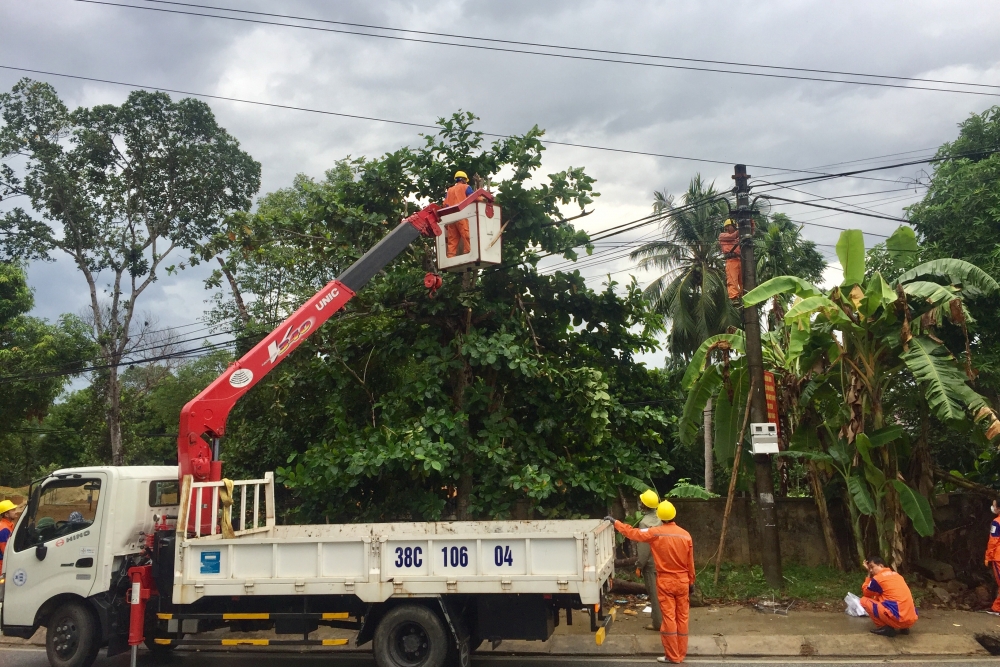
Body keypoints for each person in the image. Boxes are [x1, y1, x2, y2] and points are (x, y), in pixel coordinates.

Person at [607, 500, 695, 663]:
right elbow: (690, 563)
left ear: (660, 517)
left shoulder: (655, 533)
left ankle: (672, 656)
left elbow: (633, 533)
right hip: (683, 581)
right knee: (682, 618)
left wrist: (616, 523)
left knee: (668, 618)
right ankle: (681, 654)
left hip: (666, 581)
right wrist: (691, 582)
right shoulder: (685, 535)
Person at [859, 555, 918, 636]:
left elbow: (866, 593)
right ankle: (904, 627)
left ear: (881, 566)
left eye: (872, 567)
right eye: (869, 569)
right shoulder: (897, 575)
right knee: (880, 596)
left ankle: (885, 628)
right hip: (910, 619)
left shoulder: (878, 579)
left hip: (899, 619)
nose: (871, 570)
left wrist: (868, 575)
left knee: (864, 600)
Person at [635, 489, 663, 632]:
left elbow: (644, 549)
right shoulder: (662, 518)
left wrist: (639, 566)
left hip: (652, 565)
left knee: (655, 594)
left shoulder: (645, 523)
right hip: (665, 562)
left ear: (644, 506)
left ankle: (658, 623)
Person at [443, 170, 475, 257]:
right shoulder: (466, 187)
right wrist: (483, 199)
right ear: (464, 179)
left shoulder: (449, 190)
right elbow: (473, 197)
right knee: (466, 235)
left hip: (451, 219)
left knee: (452, 239)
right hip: (462, 216)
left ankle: (450, 257)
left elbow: (445, 204)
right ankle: (468, 254)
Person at [718, 219, 742, 300]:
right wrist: (741, 228)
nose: (727, 229)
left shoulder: (739, 237)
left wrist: (749, 222)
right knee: (732, 279)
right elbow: (733, 236)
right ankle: (734, 297)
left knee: (745, 280)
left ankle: (745, 295)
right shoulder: (722, 236)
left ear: (734, 226)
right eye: (726, 227)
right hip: (731, 260)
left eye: (728, 226)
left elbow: (750, 232)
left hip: (741, 260)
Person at [984, 499, 1000, 614]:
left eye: (994, 505)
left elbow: (993, 541)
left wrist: (988, 557)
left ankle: (997, 608)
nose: (993, 507)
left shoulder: (997, 522)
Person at [0, 499, 17, 565]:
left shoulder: (8, 525)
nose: (15, 512)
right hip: (2, 565)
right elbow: (5, 552)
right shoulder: (4, 529)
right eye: (13, 510)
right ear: (6, 514)